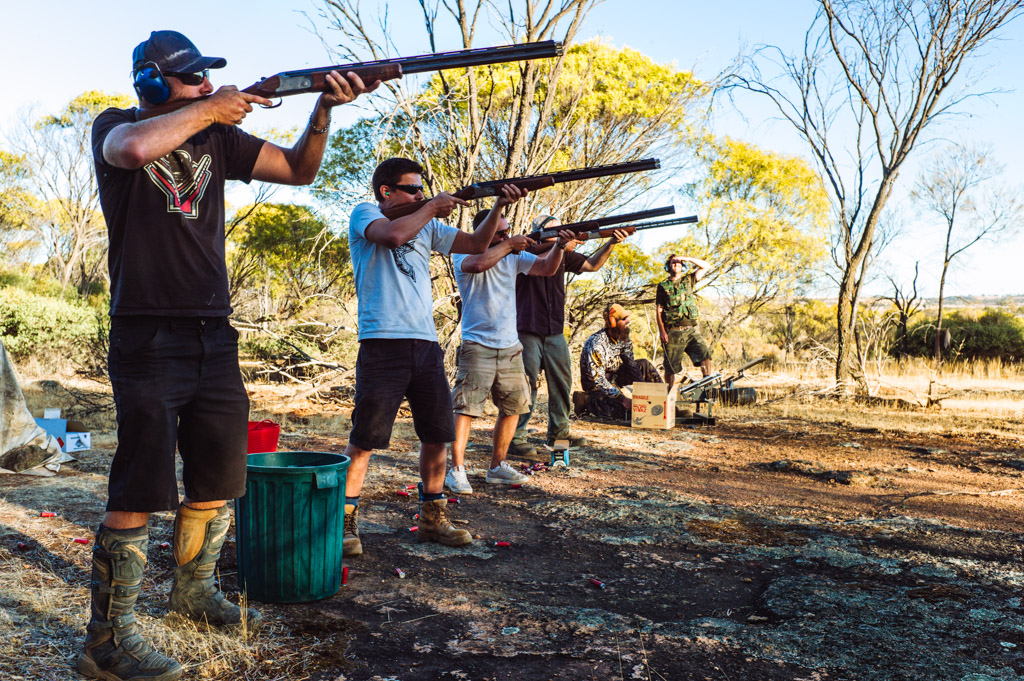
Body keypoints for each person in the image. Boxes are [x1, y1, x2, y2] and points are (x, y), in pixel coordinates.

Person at [84, 30, 376, 681]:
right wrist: (213, 107)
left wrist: (324, 109)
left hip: (214, 334)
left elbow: (301, 170)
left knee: (218, 475)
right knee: (140, 482)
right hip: (146, 334)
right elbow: (133, 149)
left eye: (204, 81)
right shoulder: (119, 126)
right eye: (191, 81)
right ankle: (107, 641)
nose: (204, 88)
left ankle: (193, 590)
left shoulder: (219, 137)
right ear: (156, 85)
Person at [341, 158, 527, 557]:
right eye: (411, 189)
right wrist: (430, 208)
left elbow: (477, 245)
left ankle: (432, 517)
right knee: (365, 439)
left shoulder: (426, 221)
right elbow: (391, 237)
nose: (420, 195)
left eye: (422, 189)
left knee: (437, 434)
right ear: (385, 191)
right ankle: (344, 522)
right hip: (383, 341)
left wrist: (498, 207)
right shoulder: (365, 213)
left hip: (424, 343)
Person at [445, 211, 577, 494]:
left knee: (513, 407)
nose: (506, 236)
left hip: (510, 344)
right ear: (483, 232)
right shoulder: (463, 250)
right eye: (500, 232)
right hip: (477, 342)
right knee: (466, 409)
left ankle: (497, 466)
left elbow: (546, 269)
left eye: (507, 232)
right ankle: (456, 469)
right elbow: (478, 264)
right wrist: (509, 245)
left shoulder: (512, 255)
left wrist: (559, 246)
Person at [510, 216, 630, 456]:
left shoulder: (562, 254)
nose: (564, 235)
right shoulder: (524, 252)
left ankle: (559, 434)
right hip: (526, 328)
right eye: (557, 232)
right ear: (540, 233)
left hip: (554, 330)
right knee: (526, 386)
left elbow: (592, 265)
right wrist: (560, 244)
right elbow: (537, 253)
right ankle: (515, 438)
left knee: (562, 384)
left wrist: (610, 243)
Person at [579, 303, 663, 420]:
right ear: (611, 323)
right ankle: (584, 400)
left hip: (615, 379)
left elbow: (631, 366)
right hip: (596, 387)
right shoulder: (596, 343)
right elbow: (598, 380)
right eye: (623, 319)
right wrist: (623, 399)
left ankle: (665, 404)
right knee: (626, 413)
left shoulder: (624, 338)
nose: (628, 321)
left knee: (644, 364)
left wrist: (643, 394)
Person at [656, 253, 713, 390]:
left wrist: (687, 258)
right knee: (670, 368)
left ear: (683, 266)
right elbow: (659, 310)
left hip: (691, 331)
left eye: (679, 263)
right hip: (672, 332)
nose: (676, 264)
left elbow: (706, 266)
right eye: (673, 262)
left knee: (705, 355)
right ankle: (668, 396)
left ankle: (707, 388)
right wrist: (662, 331)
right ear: (668, 266)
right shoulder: (663, 286)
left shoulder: (688, 280)